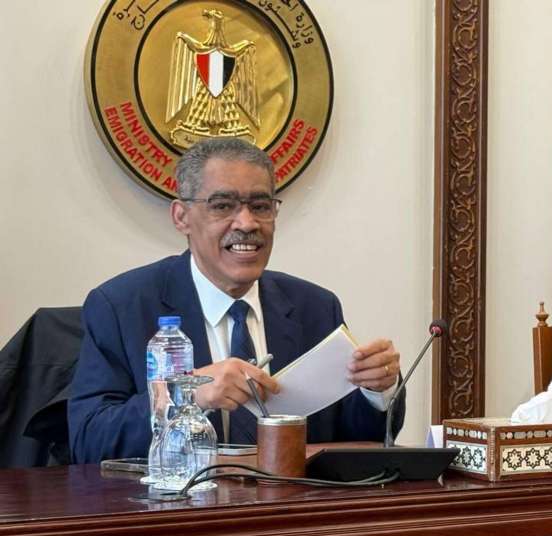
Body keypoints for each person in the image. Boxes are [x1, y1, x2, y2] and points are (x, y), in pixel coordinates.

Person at [68, 137, 404, 463]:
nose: (246, 223)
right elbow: (88, 439)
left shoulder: (315, 307)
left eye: (260, 206)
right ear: (181, 217)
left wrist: (377, 389)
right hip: (177, 500)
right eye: (222, 206)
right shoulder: (121, 306)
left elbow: (356, 438)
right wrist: (190, 395)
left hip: (293, 499)